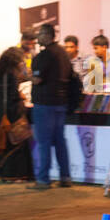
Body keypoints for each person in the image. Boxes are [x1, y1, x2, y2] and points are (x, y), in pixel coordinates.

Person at [29, 23, 72, 189]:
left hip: (44, 104)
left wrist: (25, 75)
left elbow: (38, 80)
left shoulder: (45, 55)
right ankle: (65, 177)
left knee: (44, 142)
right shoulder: (63, 53)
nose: (37, 38)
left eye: (40, 34)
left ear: (47, 35)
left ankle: (43, 179)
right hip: (61, 103)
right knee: (60, 141)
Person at [0, 49, 32, 181]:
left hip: (1, 112)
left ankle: (5, 173)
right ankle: (17, 174)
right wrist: (21, 96)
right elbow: (12, 95)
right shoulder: (11, 74)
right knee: (19, 143)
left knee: (6, 144)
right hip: (13, 113)